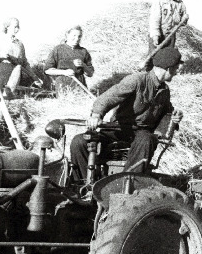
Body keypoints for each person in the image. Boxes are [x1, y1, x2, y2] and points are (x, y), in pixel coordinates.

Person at [70, 46, 184, 185]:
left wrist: (174, 118)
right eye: (176, 68)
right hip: (118, 130)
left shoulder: (164, 91)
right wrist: (96, 115)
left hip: (140, 135)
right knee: (79, 142)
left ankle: (124, 187)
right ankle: (84, 187)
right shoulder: (136, 80)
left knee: (146, 139)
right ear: (168, 68)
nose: (177, 72)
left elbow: (166, 113)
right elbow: (109, 97)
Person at [0, 17, 42, 99]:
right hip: (3, 72)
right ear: (7, 27)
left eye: (18, 27)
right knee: (1, 98)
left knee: (13, 99)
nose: (17, 29)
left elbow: (25, 63)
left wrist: (35, 78)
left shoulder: (20, 44)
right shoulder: (0, 41)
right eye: (15, 27)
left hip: (17, 73)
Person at [145, 0, 188, 67]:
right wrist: (156, 36)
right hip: (159, 34)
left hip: (171, 36)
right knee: (152, 57)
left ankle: (162, 79)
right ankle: (147, 75)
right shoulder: (160, 2)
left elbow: (182, 21)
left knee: (167, 59)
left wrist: (185, 19)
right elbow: (154, 20)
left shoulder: (180, 4)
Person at [44, 25, 94, 95]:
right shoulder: (58, 49)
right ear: (67, 35)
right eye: (74, 35)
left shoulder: (83, 51)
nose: (77, 38)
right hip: (63, 87)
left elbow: (90, 74)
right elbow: (47, 70)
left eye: (79, 36)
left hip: (81, 87)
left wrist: (83, 65)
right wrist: (64, 72)